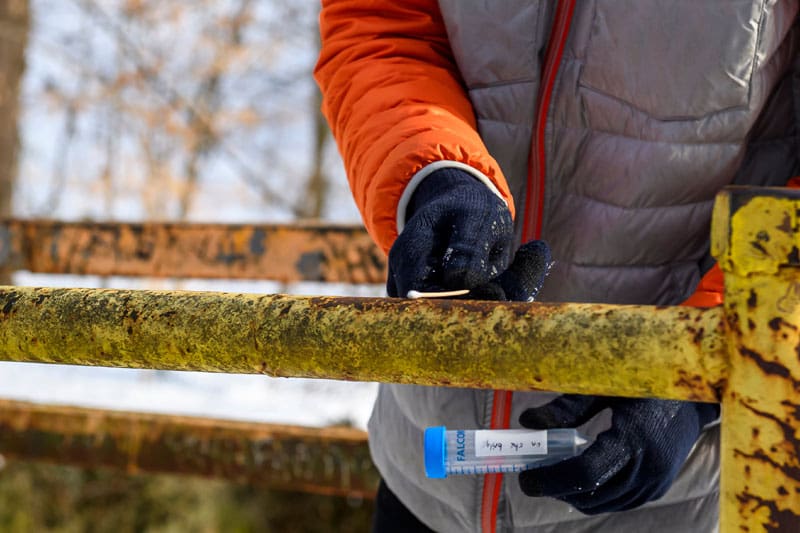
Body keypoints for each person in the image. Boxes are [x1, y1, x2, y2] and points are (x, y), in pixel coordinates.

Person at [315, 2, 797, 531]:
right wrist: (434, 173)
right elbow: (381, 27)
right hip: (423, 481)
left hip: (672, 495)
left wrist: (710, 361)